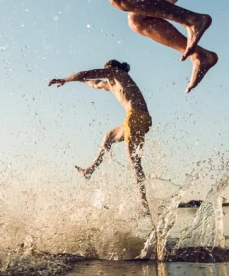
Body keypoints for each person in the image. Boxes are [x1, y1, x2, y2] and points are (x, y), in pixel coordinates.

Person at [48, 60, 152, 211]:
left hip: (135, 116)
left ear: (113, 68)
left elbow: (87, 73)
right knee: (109, 136)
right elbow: (94, 82)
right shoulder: (111, 85)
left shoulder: (118, 73)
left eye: (107, 70)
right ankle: (89, 170)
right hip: (139, 119)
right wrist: (80, 81)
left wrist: (65, 79)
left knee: (133, 162)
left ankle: (144, 206)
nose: (106, 74)